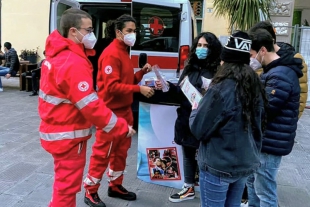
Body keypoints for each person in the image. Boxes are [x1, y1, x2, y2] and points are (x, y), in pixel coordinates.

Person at [38, 9, 134, 207]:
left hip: (58, 130)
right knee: (66, 190)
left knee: (63, 186)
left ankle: (114, 185)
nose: (92, 34)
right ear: (73, 31)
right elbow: (90, 104)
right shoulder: (72, 61)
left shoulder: (58, 54)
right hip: (68, 134)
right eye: (89, 29)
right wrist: (120, 127)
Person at [189, 31, 267, 207]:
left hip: (218, 165)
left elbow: (198, 128)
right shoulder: (255, 85)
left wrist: (196, 109)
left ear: (226, 61)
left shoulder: (220, 88)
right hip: (244, 163)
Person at [83, 14, 154, 207]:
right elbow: (113, 86)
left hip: (124, 112)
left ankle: (115, 185)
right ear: (118, 32)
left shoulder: (124, 51)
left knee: (121, 152)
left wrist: (141, 74)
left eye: (135, 31)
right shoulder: (111, 53)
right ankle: (90, 191)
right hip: (110, 113)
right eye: (129, 31)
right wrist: (139, 89)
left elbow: (126, 81)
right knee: (102, 153)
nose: (133, 34)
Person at [246, 28, 303, 207]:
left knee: (265, 190)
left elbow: (266, 109)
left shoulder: (280, 75)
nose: (251, 59)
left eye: (252, 54)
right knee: (254, 183)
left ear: (263, 50)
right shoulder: (273, 71)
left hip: (270, 141)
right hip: (264, 139)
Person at [166, 32, 222, 203]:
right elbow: (180, 92)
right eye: (199, 45)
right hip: (186, 118)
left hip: (206, 121)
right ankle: (188, 187)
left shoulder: (218, 70)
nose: (201, 49)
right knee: (188, 154)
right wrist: (167, 87)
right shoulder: (189, 67)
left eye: (206, 46)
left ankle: (209, 190)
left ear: (213, 49)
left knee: (207, 157)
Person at [249, 20, 308, 118]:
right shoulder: (262, 60)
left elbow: (301, 95)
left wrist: (291, 119)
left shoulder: (293, 60)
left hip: (279, 122)